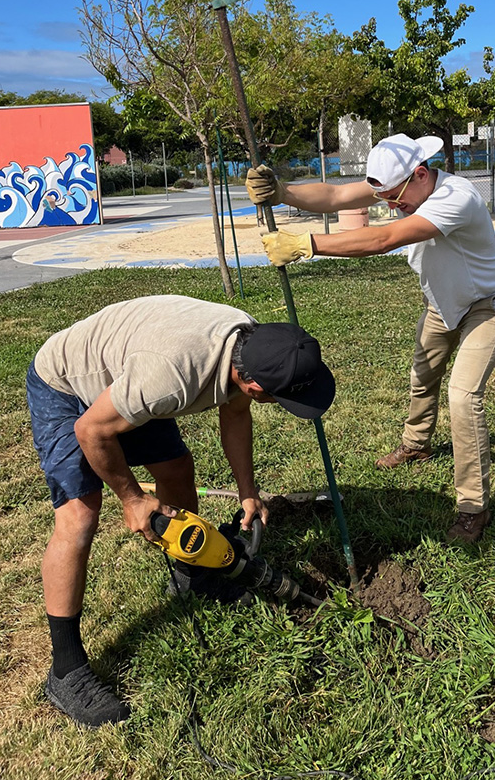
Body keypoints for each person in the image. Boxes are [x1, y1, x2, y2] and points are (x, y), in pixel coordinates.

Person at [27, 294, 335, 727]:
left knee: (176, 468)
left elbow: (236, 411)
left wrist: (248, 490)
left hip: (126, 374)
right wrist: (133, 499)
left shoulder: (252, 345)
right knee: (80, 515)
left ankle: (192, 577)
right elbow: (91, 429)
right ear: (256, 384)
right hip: (64, 385)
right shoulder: (170, 377)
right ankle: (65, 668)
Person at [247, 134, 495, 546]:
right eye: (385, 198)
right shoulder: (400, 184)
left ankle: (472, 508)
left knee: (463, 397)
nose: (390, 206)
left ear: (421, 174)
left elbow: (384, 239)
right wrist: (282, 191)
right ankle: (416, 445)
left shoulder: (456, 197)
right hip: (442, 304)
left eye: (395, 198)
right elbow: (336, 196)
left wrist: (308, 244)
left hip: (489, 305)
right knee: (422, 376)